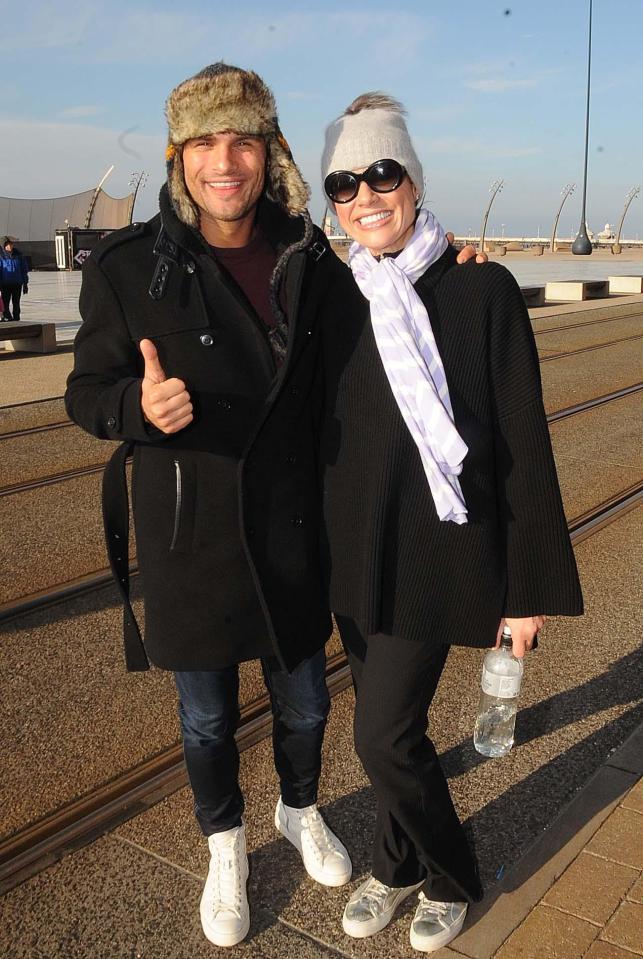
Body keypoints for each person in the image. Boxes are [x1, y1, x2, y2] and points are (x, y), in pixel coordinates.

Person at [65, 63, 358, 949]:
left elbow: (368, 352)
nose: (222, 161)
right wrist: (134, 411)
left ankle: (298, 810)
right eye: (203, 144)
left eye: (241, 141)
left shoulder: (312, 253)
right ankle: (223, 842)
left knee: (306, 702)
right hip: (191, 531)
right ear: (178, 157)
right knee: (204, 716)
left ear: (266, 154)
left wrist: (450, 267)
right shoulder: (127, 266)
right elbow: (86, 390)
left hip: (292, 523)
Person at [319, 94, 583, 953]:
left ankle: (450, 874)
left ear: (412, 179)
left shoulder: (480, 286)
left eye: (381, 173)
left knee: (381, 734)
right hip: (354, 557)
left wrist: (527, 587)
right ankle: (395, 864)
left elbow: (520, 444)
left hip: (441, 553)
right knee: (389, 731)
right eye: (344, 182)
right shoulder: (335, 290)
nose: (365, 195)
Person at [1, 237, 29, 321]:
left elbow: (24, 270)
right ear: (3, 246)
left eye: (11, 244)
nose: (10, 246)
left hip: (17, 284)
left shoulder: (19, 255)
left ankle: (16, 318)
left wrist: (25, 284)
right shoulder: (1, 256)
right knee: (5, 303)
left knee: (16, 303)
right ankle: (8, 317)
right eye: (7, 244)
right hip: (5, 284)